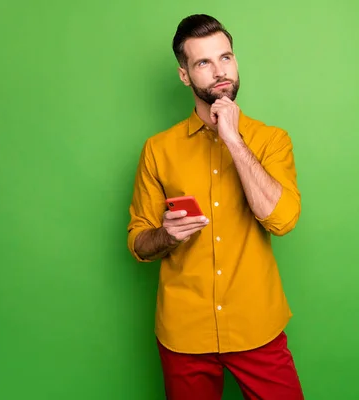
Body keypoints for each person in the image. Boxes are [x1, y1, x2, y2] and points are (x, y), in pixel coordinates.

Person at [126, 13, 304, 400]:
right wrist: (166, 236)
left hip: (257, 326)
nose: (219, 70)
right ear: (185, 76)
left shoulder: (271, 140)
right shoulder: (158, 150)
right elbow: (139, 242)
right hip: (184, 334)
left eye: (225, 57)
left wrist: (234, 140)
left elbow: (283, 219)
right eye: (203, 62)